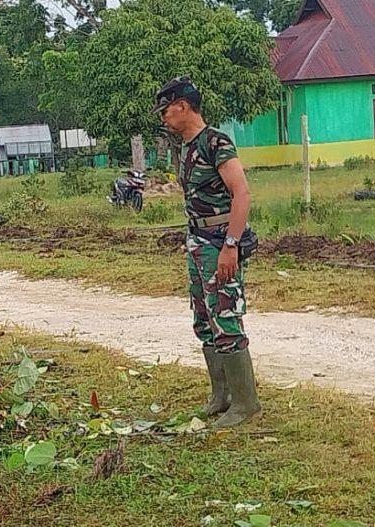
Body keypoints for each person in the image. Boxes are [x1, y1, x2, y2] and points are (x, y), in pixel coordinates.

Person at [155, 75, 260, 428]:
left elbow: (241, 194)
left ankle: (246, 404)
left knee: (226, 317)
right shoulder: (186, 147)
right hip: (197, 243)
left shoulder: (216, 143)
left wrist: (231, 245)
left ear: (184, 106)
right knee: (204, 319)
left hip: (219, 242)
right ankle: (222, 396)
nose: (163, 117)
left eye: (167, 110)